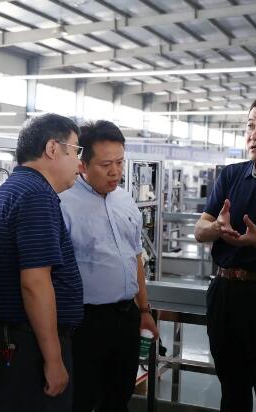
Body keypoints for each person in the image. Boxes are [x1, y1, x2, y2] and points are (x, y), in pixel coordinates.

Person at [194, 96, 256, 412]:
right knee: (232, 390)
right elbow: (200, 231)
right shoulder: (231, 175)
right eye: (250, 126)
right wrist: (217, 228)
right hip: (226, 294)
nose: (254, 135)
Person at [0, 113, 84, 412]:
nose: (79, 163)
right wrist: (53, 359)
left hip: (14, 338)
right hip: (29, 346)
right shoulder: (36, 195)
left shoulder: (13, 190)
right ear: (53, 148)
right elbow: (35, 283)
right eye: (76, 151)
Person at [59, 120, 159, 412]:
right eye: (105, 165)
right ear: (82, 164)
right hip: (85, 322)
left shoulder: (125, 200)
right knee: (81, 398)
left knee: (119, 396)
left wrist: (144, 311)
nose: (115, 171)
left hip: (126, 317)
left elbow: (135, 256)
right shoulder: (63, 202)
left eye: (119, 162)